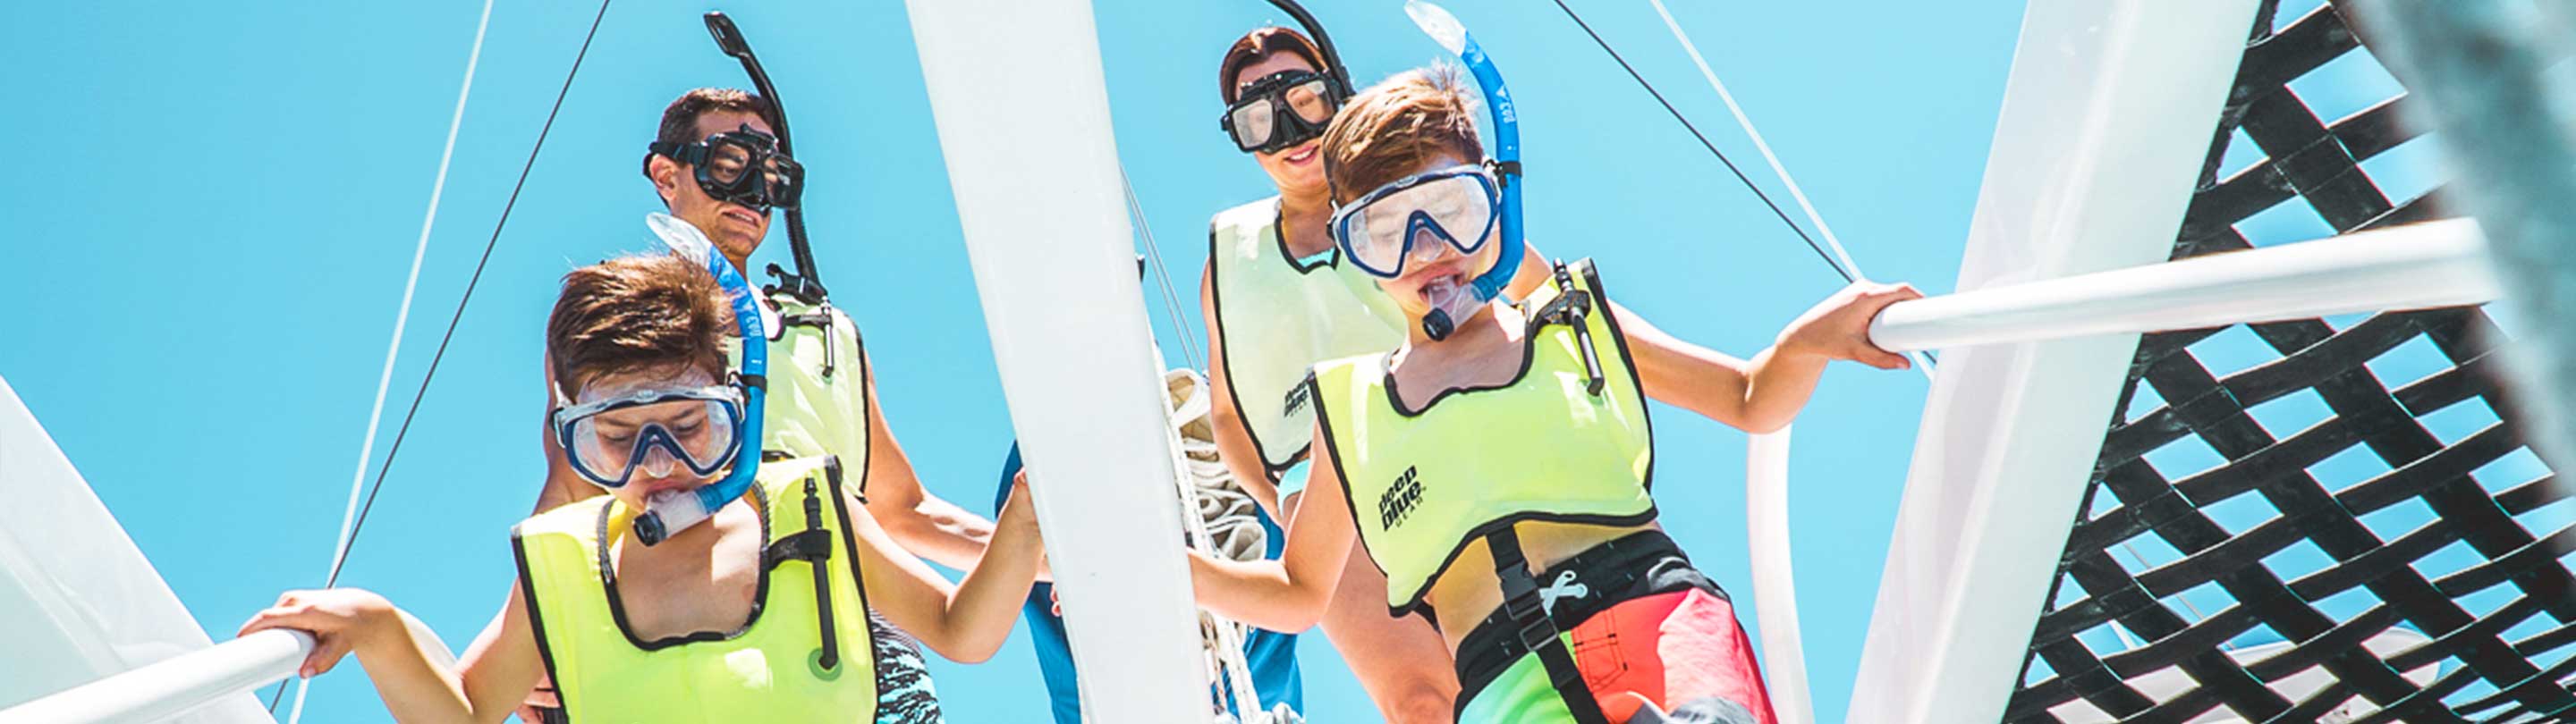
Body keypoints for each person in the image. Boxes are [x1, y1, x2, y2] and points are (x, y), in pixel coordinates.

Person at [1185, 66, 1922, 723]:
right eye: (1385, 231)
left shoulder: (1567, 320)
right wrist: (1153, 562)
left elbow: (1750, 397)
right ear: (1355, 254)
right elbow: (1299, 590)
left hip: (1656, 623)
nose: (1427, 247)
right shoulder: (1351, 413)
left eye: (1452, 209)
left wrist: (1810, 341)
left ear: (1497, 206)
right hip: (1504, 685)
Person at [241, 253, 1046, 723]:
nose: (657, 463)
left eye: (688, 428)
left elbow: (960, 630)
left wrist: (1027, 518)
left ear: (739, 408)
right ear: (570, 436)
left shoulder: (806, 507)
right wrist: (379, 627)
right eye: (618, 440)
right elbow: (473, 714)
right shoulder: (565, 563)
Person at [517, 88, 993, 721]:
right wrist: (538, 640)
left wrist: (1052, 557)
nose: (751, 194)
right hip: (678, 612)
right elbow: (572, 489)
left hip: (840, 614)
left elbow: (901, 510)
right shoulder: (613, 321)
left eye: (771, 177)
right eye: (729, 164)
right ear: (667, 174)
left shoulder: (830, 334)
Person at [1201, 25, 1547, 724]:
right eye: (1258, 119)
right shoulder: (1228, 254)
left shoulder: (1415, 196)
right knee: (1419, 702)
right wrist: (1285, 505)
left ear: (1339, 93)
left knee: (1532, 659)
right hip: (1320, 486)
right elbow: (1229, 414)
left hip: (1448, 427)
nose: (1291, 132)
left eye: (1305, 98)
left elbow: (1535, 290)